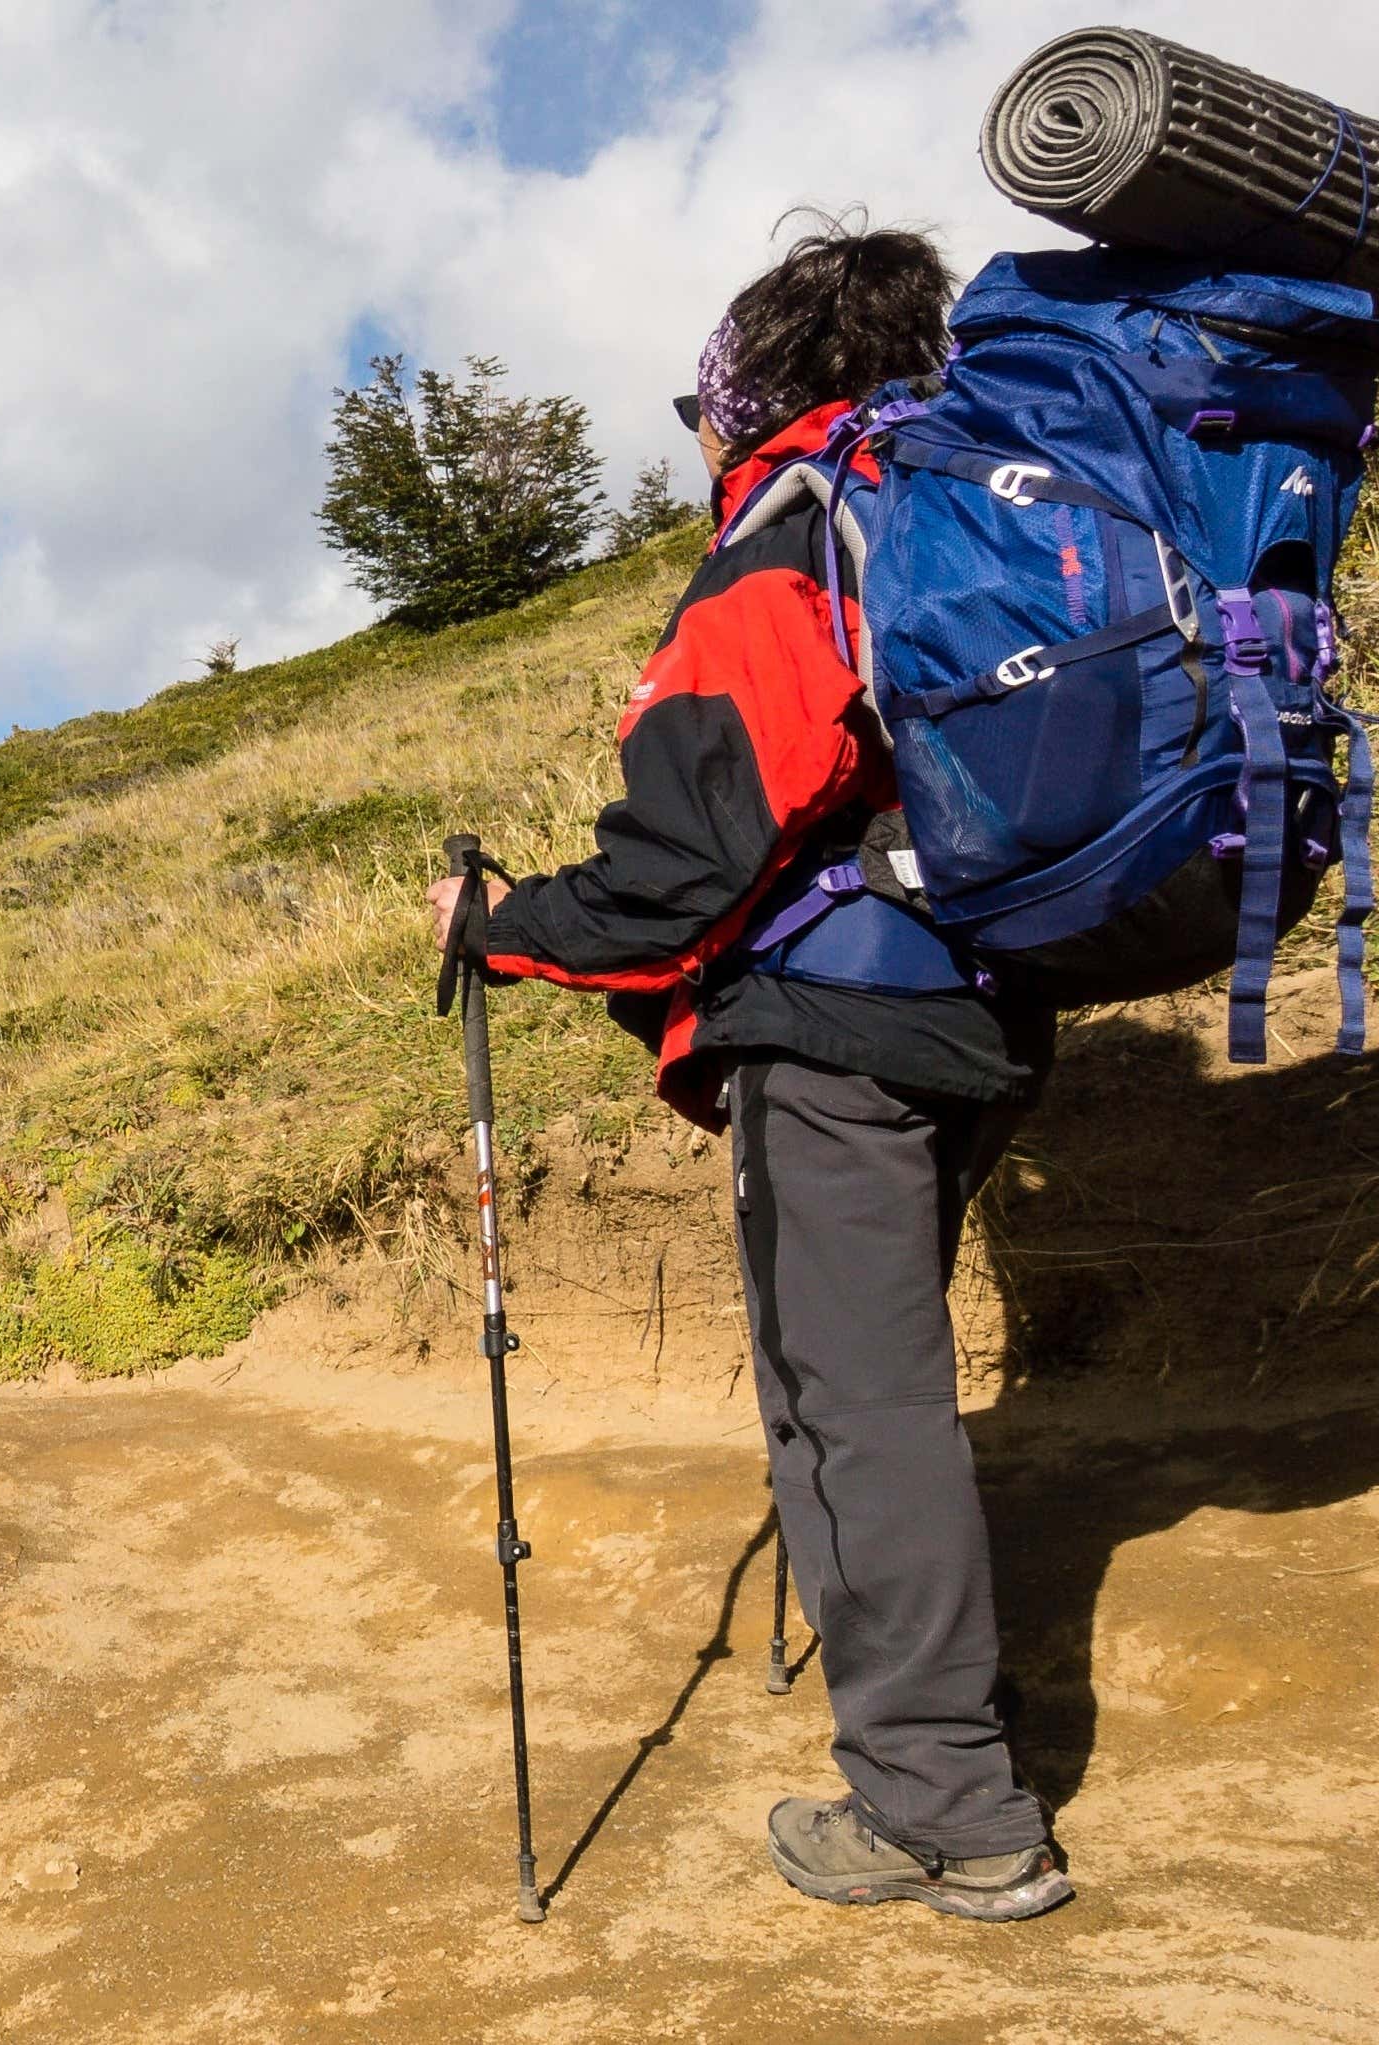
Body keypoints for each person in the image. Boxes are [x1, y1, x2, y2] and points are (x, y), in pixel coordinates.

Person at [431, 222, 1079, 1923]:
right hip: (987, 1009)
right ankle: (924, 1739)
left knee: (852, 1412)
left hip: (840, 1031)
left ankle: (947, 1808)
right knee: (872, 1395)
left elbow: (689, 860)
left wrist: (502, 922)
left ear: (744, 398)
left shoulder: (790, 539)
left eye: (696, 407)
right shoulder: (957, 506)